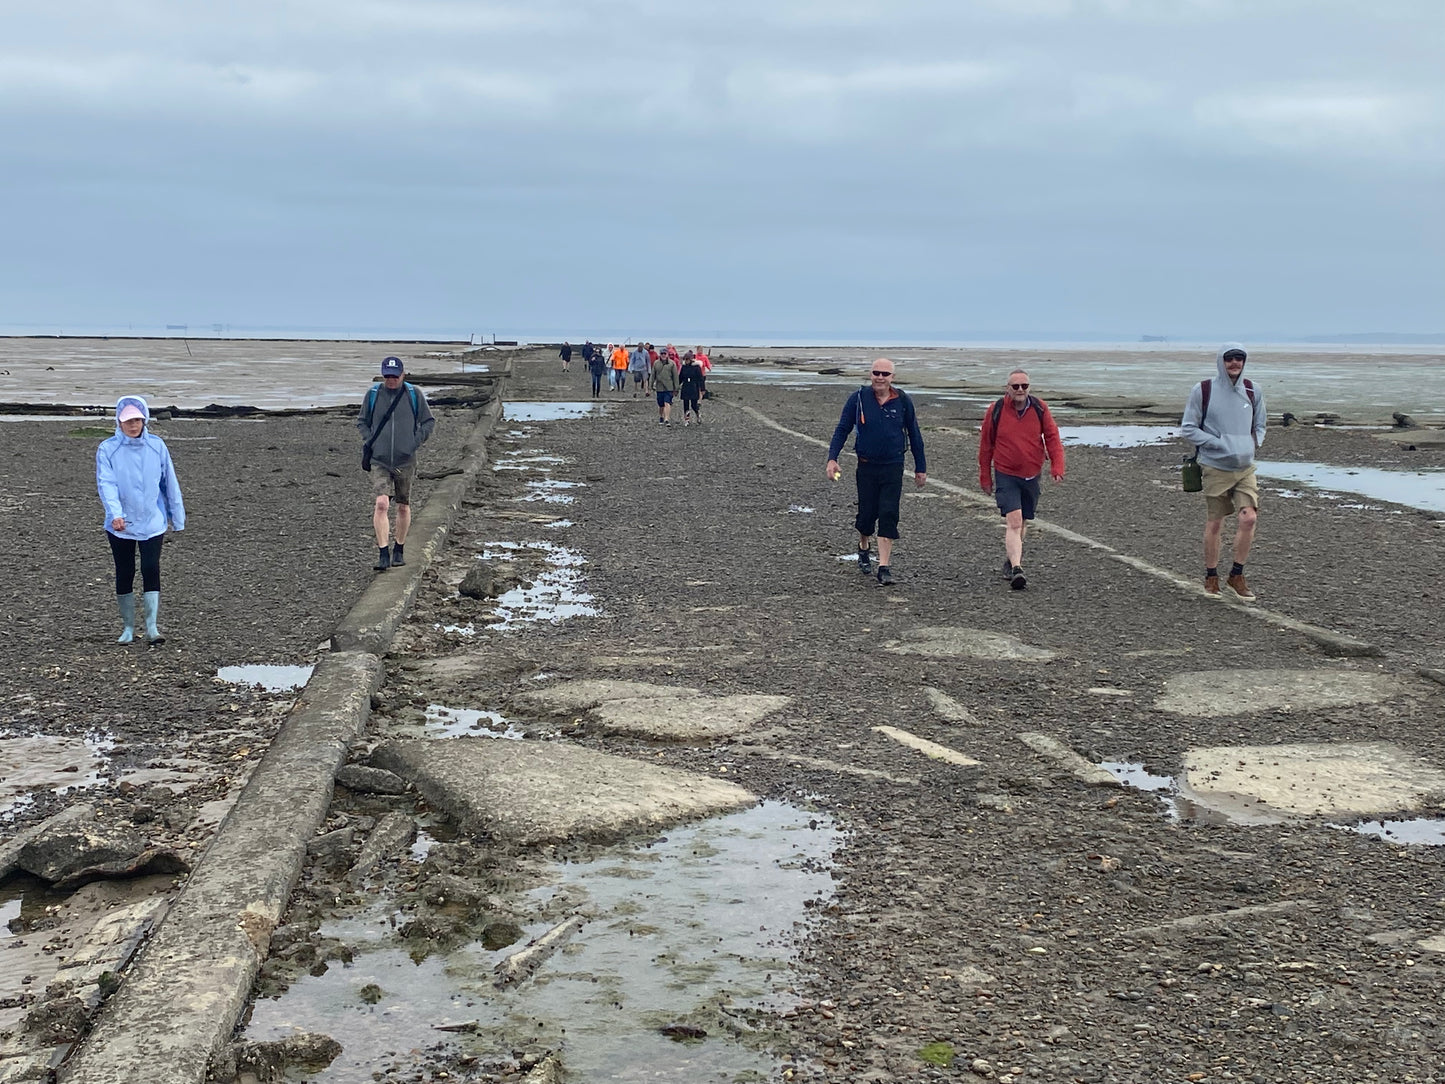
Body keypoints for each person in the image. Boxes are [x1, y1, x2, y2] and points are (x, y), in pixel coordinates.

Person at [825, 359, 926, 586]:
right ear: (870, 375)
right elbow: (842, 429)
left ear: (892, 377)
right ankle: (863, 546)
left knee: (889, 513)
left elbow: (915, 435)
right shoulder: (858, 399)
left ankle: (884, 566)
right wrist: (832, 458)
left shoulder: (903, 401)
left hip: (893, 466)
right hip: (867, 466)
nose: (880, 377)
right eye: (876, 373)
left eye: (885, 373)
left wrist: (921, 468)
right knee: (867, 515)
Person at [1180, 343, 1266, 601]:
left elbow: (1260, 424)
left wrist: (1251, 444)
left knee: (1248, 518)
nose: (1234, 363)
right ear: (1221, 361)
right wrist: (1218, 444)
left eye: (1239, 358)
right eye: (1229, 358)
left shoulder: (1253, 391)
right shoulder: (1203, 390)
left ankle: (1236, 575)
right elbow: (1188, 428)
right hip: (1215, 466)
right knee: (1216, 522)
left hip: (1245, 466)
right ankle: (1211, 576)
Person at [96, 395, 185, 644]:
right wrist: (116, 514)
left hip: (152, 521)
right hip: (120, 525)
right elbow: (107, 484)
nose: (133, 425)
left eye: (137, 420)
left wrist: (177, 517)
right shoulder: (108, 449)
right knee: (125, 571)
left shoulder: (157, 446)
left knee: (150, 568)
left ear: (144, 420)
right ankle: (127, 628)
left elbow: (169, 483)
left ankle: (152, 627)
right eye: (128, 421)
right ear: (119, 422)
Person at [978, 369, 1065, 591]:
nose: (1020, 390)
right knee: (1014, 521)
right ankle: (1017, 568)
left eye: (1024, 386)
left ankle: (1011, 559)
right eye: (1015, 386)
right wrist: (985, 476)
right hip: (1006, 472)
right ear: (1007, 388)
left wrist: (1057, 465)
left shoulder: (1039, 408)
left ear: (1029, 388)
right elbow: (986, 444)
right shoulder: (996, 410)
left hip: (1032, 472)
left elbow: (1052, 436)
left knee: (1024, 520)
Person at [358, 356, 436, 572]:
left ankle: (399, 549)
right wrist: (370, 439)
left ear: (402, 374)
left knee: (403, 505)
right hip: (379, 459)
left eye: (394, 375)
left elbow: (428, 421)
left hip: (405, 459)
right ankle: (383, 552)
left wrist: (414, 442)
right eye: (387, 376)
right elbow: (362, 421)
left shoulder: (413, 395)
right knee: (382, 503)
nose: (391, 379)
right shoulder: (373, 394)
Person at [653, 348, 679, 426]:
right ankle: (661, 416)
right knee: (661, 404)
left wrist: (676, 388)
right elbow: (653, 375)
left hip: (669, 387)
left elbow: (675, 376)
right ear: (660, 354)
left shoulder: (672, 364)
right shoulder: (656, 363)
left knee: (667, 402)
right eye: (662, 354)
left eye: (665, 354)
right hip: (659, 387)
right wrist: (650, 386)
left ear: (667, 354)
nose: (663, 355)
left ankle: (667, 418)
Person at [678, 351, 705, 425]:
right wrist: (676, 386)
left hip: (694, 387)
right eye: (685, 359)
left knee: (694, 405)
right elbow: (680, 378)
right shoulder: (684, 367)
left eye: (687, 359)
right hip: (686, 386)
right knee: (685, 404)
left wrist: (702, 389)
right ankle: (687, 420)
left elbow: (701, 379)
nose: (686, 361)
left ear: (691, 359)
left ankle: (697, 414)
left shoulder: (696, 367)